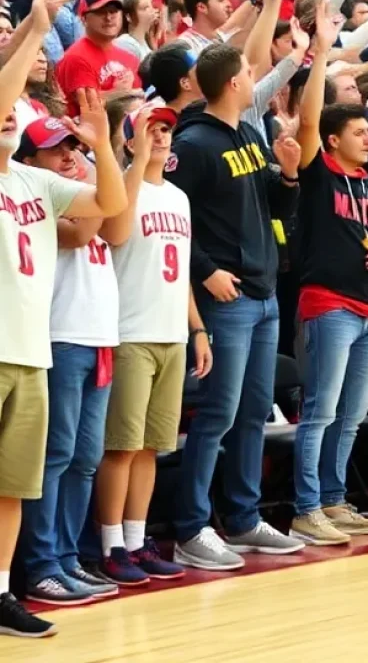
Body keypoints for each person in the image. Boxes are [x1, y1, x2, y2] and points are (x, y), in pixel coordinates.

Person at [0, 0, 128, 638]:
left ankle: (24, 577)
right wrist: (38, 20)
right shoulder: (11, 174)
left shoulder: (37, 182)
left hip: (40, 346)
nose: (3, 118)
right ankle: (32, 568)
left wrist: (103, 143)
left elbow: (110, 211)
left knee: (34, 476)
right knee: (37, 469)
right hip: (25, 342)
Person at [165, 43, 304, 569]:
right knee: (218, 412)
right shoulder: (194, 144)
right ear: (232, 84)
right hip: (226, 296)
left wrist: (288, 174)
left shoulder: (248, 133)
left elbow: (275, 203)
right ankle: (190, 527)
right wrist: (204, 271)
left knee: (252, 412)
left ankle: (243, 519)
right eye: (249, 71)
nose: (254, 77)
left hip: (264, 292)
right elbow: (173, 218)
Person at [93, 105, 211, 585]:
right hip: (129, 331)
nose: (161, 136)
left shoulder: (180, 198)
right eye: (150, 129)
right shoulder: (120, 185)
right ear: (127, 138)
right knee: (120, 447)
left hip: (171, 333)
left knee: (150, 449)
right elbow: (115, 234)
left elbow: (180, 271)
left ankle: (138, 542)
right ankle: (109, 545)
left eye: (165, 129)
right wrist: (136, 164)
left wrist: (198, 329)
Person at [16, 113, 123, 606]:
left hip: (99, 337)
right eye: (56, 150)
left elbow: (118, 221)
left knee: (83, 459)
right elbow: (82, 234)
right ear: (30, 161)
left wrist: (101, 153)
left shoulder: (83, 197)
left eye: (71, 148)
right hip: (60, 339)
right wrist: (101, 162)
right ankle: (41, 564)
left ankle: (66, 557)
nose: (68, 157)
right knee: (55, 458)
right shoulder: (38, 202)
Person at [289, 8, 368, 544]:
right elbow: (306, 122)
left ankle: (332, 498)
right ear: (332, 141)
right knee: (321, 413)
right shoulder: (319, 172)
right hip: (328, 305)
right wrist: (323, 52)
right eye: (358, 132)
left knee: (351, 415)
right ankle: (306, 508)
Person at [54, 0, 142, 105]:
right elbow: (87, 104)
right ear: (84, 19)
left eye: (113, 11)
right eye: (100, 12)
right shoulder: (75, 58)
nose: (109, 18)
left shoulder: (130, 57)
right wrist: (120, 93)